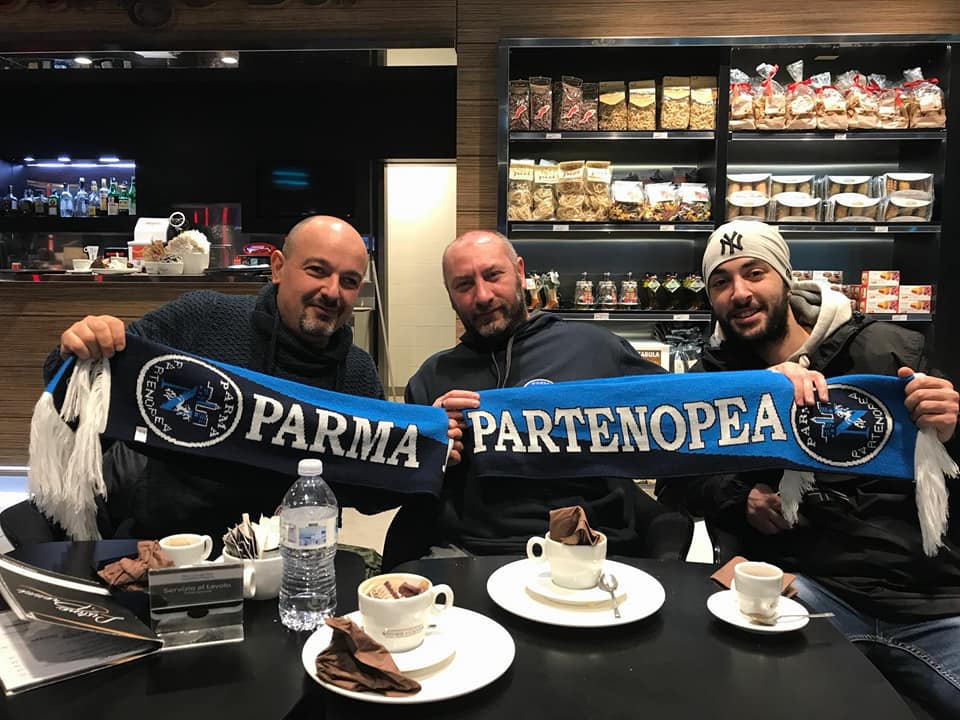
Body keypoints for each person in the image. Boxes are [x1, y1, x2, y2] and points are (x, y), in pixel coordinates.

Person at [667, 219, 960, 717]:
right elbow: (677, 480)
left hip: (925, 598)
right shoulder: (714, 381)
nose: (739, 293)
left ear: (786, 277)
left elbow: (946, 469)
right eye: (721, 281)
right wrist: (740, 497)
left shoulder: (885, 349)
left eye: (754, 273)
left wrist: (952, 430)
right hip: (803, 589)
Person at [11, 215, 398, 544]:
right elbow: (81, 390)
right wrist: (82, 347)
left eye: (349, 281)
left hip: (292, 561)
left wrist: (418, 456)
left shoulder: (358, 373)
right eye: (317, 271)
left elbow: (374, 491)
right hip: (171, 549)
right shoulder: (203, 319)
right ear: (278, 267)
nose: (332, 292)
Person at [399, 230, 691, 561]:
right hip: (472, 553)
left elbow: (689, 416)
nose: (482, 296)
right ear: (449, 295)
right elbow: (405, 487)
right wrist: (429, 447)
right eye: (464, 285)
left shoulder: (595, 348)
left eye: (493, 275)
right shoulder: (433, 377)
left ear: (520, 272)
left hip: (596, 549)